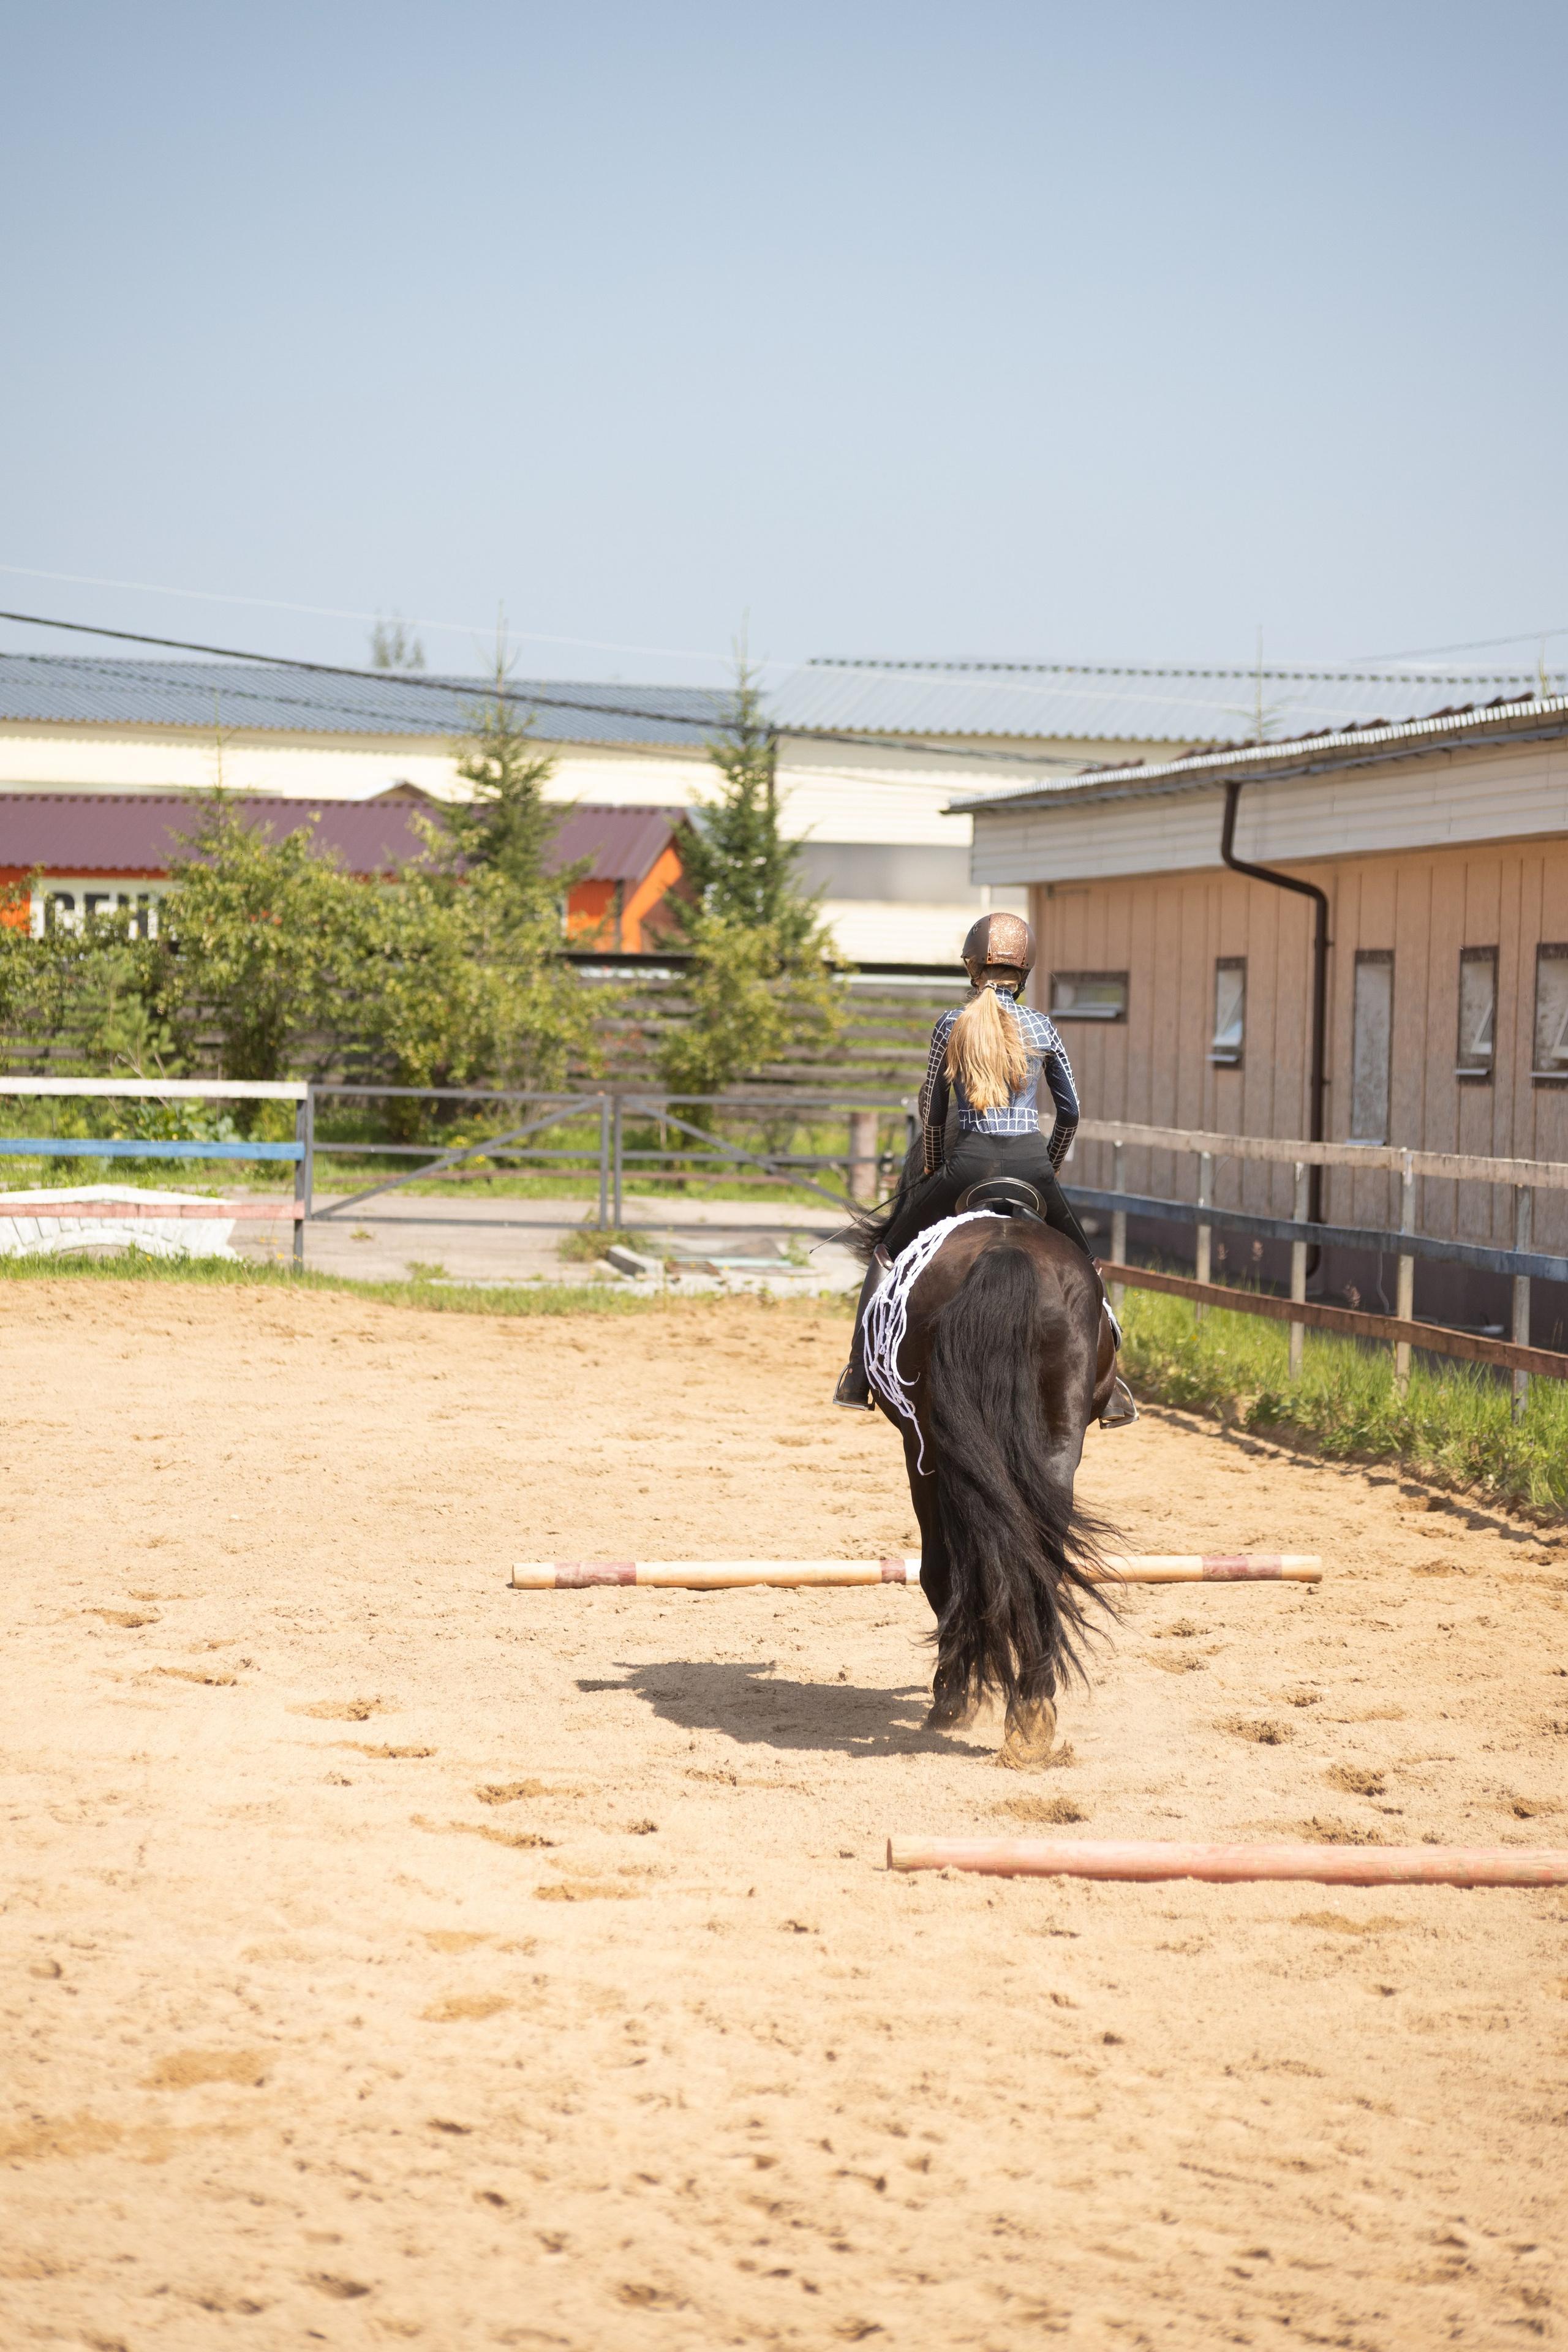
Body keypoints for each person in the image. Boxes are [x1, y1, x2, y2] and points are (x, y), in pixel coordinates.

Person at [832, 910, 1135, 1425]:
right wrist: (1047, 1167)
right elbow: (1071, 1113)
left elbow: (934, 1112)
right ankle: (1113, 1385)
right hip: (1031, 1168)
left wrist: (933, 1168)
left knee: (887, 1252)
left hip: (966, 1166)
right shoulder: (1041, 1026)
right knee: (1086, 1264)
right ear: (1026, 969)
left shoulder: (951, 1024)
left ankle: (859, 1371)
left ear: (972, 966)